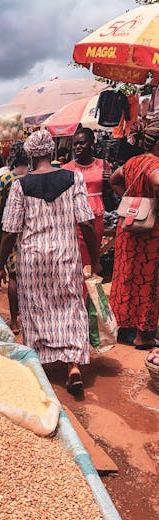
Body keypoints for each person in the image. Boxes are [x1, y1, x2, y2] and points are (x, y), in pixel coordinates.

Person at [0, 130, 99, 394]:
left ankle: (39, 367)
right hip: (66, 255)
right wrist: (96, 259)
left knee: (36, 308)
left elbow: (9, 231)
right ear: (52, 153)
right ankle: (72, 366)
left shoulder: (21, 185)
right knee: (70, 306)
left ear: (30, 155)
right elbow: (87, 223)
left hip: (32, 260)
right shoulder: (73, 178)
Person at [109, 121, 159, 350]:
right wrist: (154, 205)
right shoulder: (154, 164)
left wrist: (130, 201)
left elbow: (114, 179)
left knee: (125, 276)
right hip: (150, 233)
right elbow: (157, 182)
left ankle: (123, 327)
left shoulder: (132, 162)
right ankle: (143, 335)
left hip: (129, 226)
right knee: (148, 280)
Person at [0, 145, 29, 333]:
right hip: (32, 231)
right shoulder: (34, 177)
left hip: (11, 230)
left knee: (13, 274)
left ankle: (14, 321)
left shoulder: (5, 179)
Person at [64, 128, 111, 267]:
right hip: (75, 218)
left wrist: (109, 181)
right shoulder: (67, 168)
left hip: (96, 216)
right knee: (80, 256)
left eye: (82, 143)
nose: (77, 147)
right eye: (75, 144)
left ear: (91, 143)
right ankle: (82, 287)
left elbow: (108, 194)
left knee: (94, 253)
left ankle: (90, 283)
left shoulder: (103, 165)